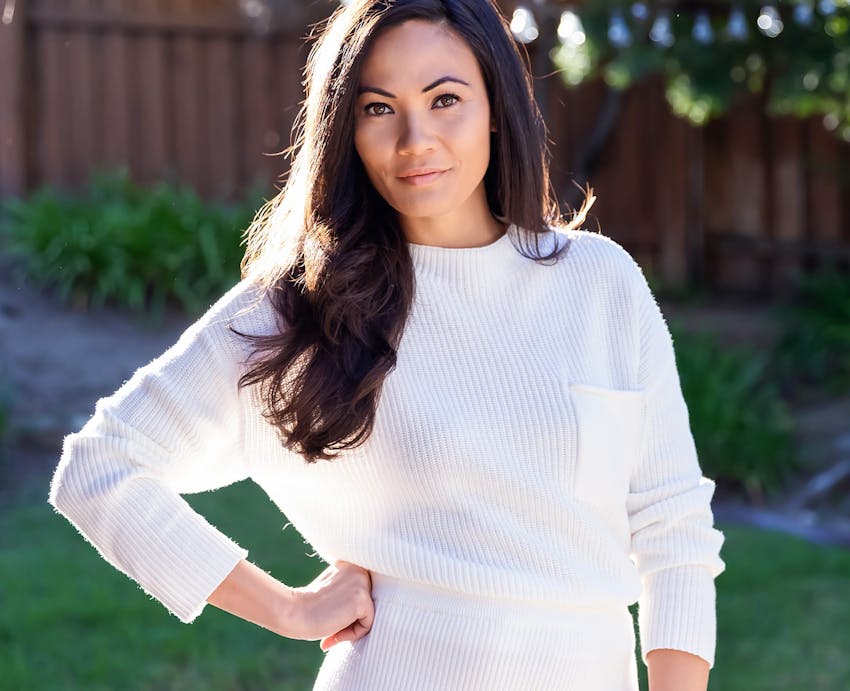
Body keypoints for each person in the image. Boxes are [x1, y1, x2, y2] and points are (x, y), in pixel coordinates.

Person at [48, 0, 726, 689]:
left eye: (445, 99)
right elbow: (99, 468)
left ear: (496, 104)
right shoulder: (301, 308)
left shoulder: (600, 284)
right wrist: (288, 608)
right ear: (346, 129)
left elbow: (673, 530)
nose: (415, 139)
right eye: (378, 108)